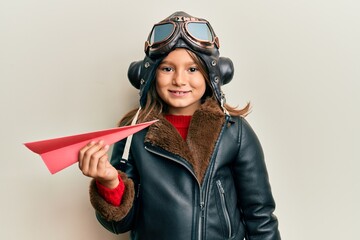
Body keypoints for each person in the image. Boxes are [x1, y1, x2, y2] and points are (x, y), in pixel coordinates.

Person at [78, 11, 281, 240]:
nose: (179, 80)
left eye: (192, 69)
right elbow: (122, 222)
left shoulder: (234, 131)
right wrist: (110, 181)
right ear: (150, 73)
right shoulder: (132, 134)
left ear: (212, 75)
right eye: (167, 68)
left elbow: (260, 216)